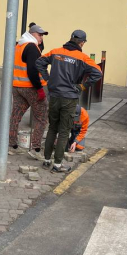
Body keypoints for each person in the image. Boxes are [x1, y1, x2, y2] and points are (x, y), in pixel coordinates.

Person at [36, 30, 102, 173]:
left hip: (53, 96)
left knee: (53, 128)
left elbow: (39, 62)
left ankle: (47, 160)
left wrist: (47, 78)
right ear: (82, 43)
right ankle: (57, 165)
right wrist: (83, 86)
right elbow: (98, 72)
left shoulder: (55, 52)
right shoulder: (82, 58)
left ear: (70, 39)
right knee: (64, 131)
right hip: (69, 98)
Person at [9, 24, 49, 160]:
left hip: (17, 86)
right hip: (30, 87)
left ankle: (12, 146)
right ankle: (36, 149)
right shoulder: (31, 47)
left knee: (16, 115)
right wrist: (39, 89)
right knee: (42, 116)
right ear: (32, 34)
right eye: (40, 35)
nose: (41, 38)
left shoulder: (18, 45)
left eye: (42, 35)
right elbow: (33, 70)